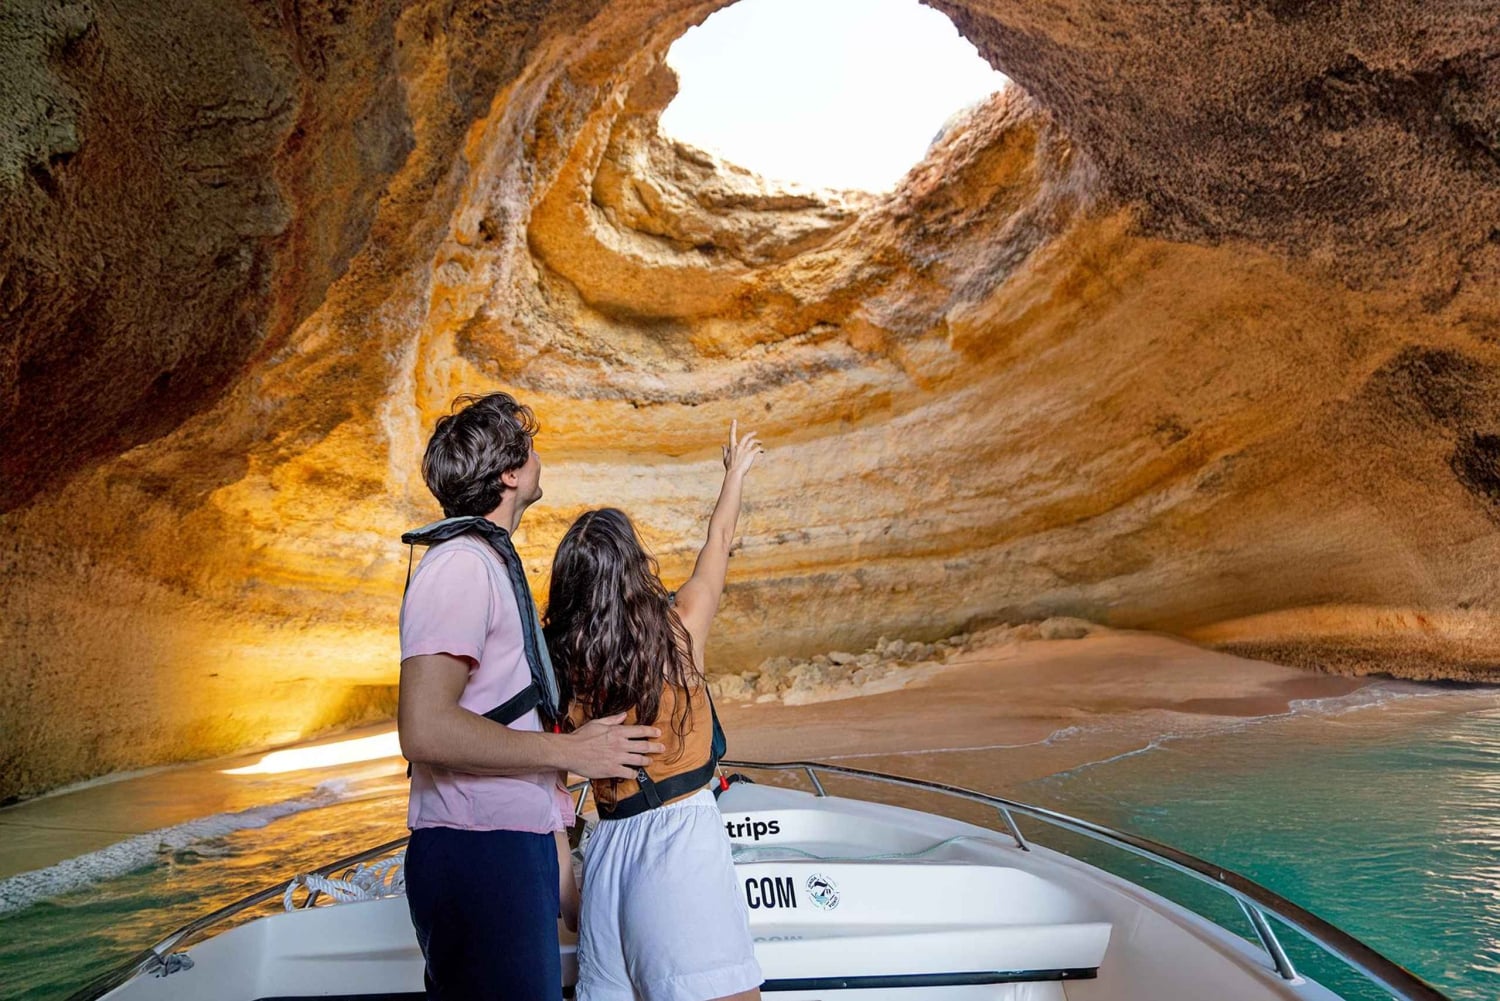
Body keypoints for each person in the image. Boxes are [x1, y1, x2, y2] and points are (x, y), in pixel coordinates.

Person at [397, 392, 664, 1000]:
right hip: (479, 853)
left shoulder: (484, 561)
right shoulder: (461, 565)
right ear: (511, 474)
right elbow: (425, 729)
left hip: (506, 849)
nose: (540, 458)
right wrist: (572, 753)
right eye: (531, 449)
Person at [545, 420, 765, 1001]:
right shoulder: (677, 628)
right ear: (634, 566)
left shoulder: (562, 666)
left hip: (607, 858)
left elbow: (547, 790)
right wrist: (735, 475)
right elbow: (716, 545)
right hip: (678, 850)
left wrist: (572, 891)